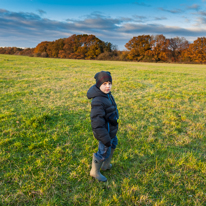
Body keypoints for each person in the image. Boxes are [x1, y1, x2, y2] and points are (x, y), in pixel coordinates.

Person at [87, 71, 119, 182]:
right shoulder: (98, 100)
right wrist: (104, 137)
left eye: (109, 83)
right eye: (104, 83)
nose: (108, 86)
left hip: (111, 130)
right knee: (103, 151)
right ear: (98, 84)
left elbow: (112, 108)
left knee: (114, 143)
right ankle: (94, 172)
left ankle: (106, 165)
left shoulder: (107, 95)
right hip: (104, 133)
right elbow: (97, 123)